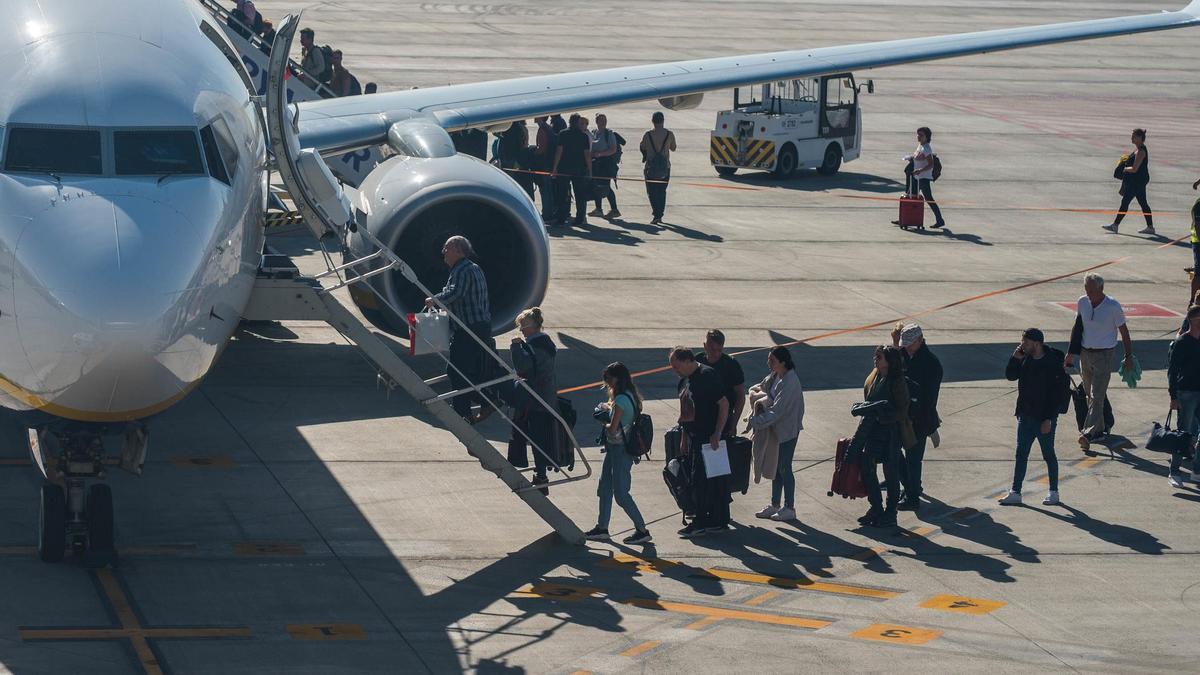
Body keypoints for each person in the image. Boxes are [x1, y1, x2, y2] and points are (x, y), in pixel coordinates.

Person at [425, 236, 495, 421]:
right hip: (478, 327)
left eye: (446, 248)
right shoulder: (473, 267)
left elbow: (456, 292)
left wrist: (434, 299)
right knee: (462, 370)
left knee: (456, 370)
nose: (443, 253)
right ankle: (469, 406)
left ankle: (477, 405)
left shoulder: (462, 270)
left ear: (458, 250)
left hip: (469, 329)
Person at [999, 328, 1069, 506]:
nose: (1023, 345)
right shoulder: (1025, 358)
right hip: (1025, 415)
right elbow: (1010, 376)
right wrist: (1015, 359)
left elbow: (1057, 395)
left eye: (1026, 343)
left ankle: (1054, 492)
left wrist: (1049, 419)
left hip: (1043, 418)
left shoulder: (1052, 362)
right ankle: (1016, 491)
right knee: (1021, 454)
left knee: (1048, 454)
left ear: (1036, 344)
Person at [585, 363, 652, 545]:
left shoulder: (621, 400)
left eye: (608, 379)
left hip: (620, 450)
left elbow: (613, 428)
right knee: (604, 487)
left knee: (621, 494)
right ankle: (602, 528)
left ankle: (642, 529)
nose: (606, 383)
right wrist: (609, 410)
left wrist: (602, 419)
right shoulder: (630, 396)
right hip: (616, 449)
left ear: (616, 379)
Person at [1066, 273, 1134, 448]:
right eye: (1086, 289)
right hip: (1085, 353)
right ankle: (1102, 427)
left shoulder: (1113, 306)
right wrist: (1071, 353)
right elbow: (1077, 327)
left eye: (1091, 290)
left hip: (1105, 355)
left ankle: (1088, 433)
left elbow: (1124, 332)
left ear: (1101, 289)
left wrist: (1128, 356)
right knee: (1089, 393)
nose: (1088, 293)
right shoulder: (1082, 302)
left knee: (1097, 396)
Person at [669, 347, 730, 538]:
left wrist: (717, 433)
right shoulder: (684, 381)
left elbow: (724, 404)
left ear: (688, 360)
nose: (675, 370)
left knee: (708, 480)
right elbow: (685, 413)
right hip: (695, 437)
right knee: (699, 480)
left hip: (709, 439)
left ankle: (706, 521)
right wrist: (684, 438)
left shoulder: (707, 375)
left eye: (677, 366)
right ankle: (711, 520)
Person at [857, 346, 915, 528]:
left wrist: (882, 416)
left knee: (891, 474)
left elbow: (903, 409)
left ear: (889, 361)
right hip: (873, 431)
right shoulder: (874, 377)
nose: (876, 359)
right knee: (867, 468)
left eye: (879, 357)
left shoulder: (897, 381)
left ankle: (890, 512)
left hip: (891, 434)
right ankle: (876, 507)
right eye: (875, 356)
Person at [747, 346, 805, 522]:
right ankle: (775, 504)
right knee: (775, 467)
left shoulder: (790, 382)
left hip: (787, 431)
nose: (768, 362)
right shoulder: (775, 375)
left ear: (783, 362)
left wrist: (755, 421)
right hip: (774, 429)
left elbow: (777, 411)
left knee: (784, 467)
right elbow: (760, 387)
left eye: (772, 360)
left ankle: (790, 507)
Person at [892, 324, 943, 511]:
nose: (906, 347)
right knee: (895, 453)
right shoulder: (906, 355)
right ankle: (909, 485)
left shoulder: (931, 364)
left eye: (909, 344)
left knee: (913, 459)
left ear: (920, 340)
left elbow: (928, 398)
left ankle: (913, 497)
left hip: (919, 419)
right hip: (903, 416)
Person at [508, 308, 558, 494]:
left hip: (535, 400)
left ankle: (541, 475)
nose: (521, 330)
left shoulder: (533, 346)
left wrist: (515, 348)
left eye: (522, 326)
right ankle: (540, 474)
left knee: (535, 438)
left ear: (531, 326)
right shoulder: (546, 344)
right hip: (545, 398)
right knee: (539, 438)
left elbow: (522, 367)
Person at [1168, 306, 1200, 487]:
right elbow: (1172, 372)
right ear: (1195, 320)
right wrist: (1173, 396)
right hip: (1186, 393)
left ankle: (1196, 469)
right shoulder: (1181, 343)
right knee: (1183, 434)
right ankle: (1174, 471)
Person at [695, 329, 745, 439]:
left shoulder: (731, 365)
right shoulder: (697, 362)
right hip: (700, 420)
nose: (716, 354)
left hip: (723, 421)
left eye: (719, 350)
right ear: (705, 346)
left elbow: (740, 396)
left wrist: (734, 423)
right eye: (713, 349)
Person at [1104, 129, 1154, 235]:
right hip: (1138, 181)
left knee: (1125, 202)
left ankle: (1115, 225)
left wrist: (1125, 169)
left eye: (1134, 136)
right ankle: (1150, 227)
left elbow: (1135, 169)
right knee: (1143, 203)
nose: (1131, 138)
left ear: (1140, 138)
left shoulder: (1141, 151)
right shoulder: (1137, 149)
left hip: (1136, 182)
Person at [552, 114, 593, 226]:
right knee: (580, 195)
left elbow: (559, 152)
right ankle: (579, 218)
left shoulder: (563, 134)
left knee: (563, 194)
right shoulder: (583, 136)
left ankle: (562, 217)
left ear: (569, 122)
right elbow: (587, 155)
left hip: (564, 168)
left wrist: (555, 168)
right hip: (579, 169)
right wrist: (590, 170)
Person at [903, 127, 946, 229]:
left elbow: (930, 164)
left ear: (927, 137)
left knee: (928, 198)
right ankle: (904, 218)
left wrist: (920, 170)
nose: (918, 137)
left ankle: (940, 220)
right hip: (916, 176)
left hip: (923, 178)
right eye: (918, 134)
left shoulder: (926, 148)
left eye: (921, 135)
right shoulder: (920, 146)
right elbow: (917, 157)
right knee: (909, 196)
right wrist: (911, 159)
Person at [640, 112, 677, 225]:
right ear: (663, 121)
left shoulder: (648, 135)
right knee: (662, 191)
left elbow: (642, 147)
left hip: (650, 167)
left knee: (651, 192)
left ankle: (656, 214)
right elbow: (673, 148)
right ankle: (660, 214)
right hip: (665, 167)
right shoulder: (669, 134)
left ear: (652, 121)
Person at [589, 114, 622, 219]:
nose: (603, 122)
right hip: (596, 164)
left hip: (606, 164)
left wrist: (600, 154)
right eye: (601, 120)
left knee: (606, 186)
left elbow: (613, 149)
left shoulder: (609, 134)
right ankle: (598, 209)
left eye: (605, 120)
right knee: (596, 185)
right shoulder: (594, 132)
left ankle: (614, 209)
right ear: (596, 121)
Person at [533, 116, 558, 224]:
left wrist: (531, 153)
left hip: (544, 164)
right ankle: (549, 212)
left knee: (545, 190)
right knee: (548, 189)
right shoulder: (548, 128)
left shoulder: (543, 129)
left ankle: (547, 213)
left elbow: (541, 149)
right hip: (549, 162)